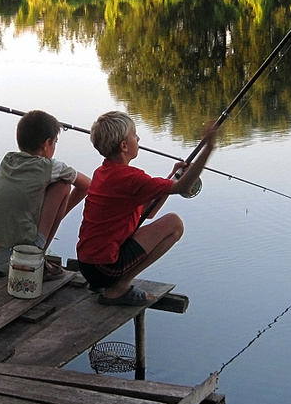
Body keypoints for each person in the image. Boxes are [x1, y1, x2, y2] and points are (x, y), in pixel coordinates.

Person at [76, 111, 218, 306]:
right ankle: (119, 288)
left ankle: (109, 284)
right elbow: (183, 188)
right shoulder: (130, 178)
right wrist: (208, 148)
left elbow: (148, 212)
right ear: (124, 146)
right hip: (105, 268)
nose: (138, 138)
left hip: (88, 265)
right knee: (174, 224)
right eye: (134, 134)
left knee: (164, 222)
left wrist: (173, 176)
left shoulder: (103, 172)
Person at [0, 110, 91, 278]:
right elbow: (87, 186)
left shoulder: (9, 160)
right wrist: (57, 215)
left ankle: (9, 262)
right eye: (55, 142)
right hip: (15, 259)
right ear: (46, 144)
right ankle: (37, 260)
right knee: (63, 185)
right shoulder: (49, 166)